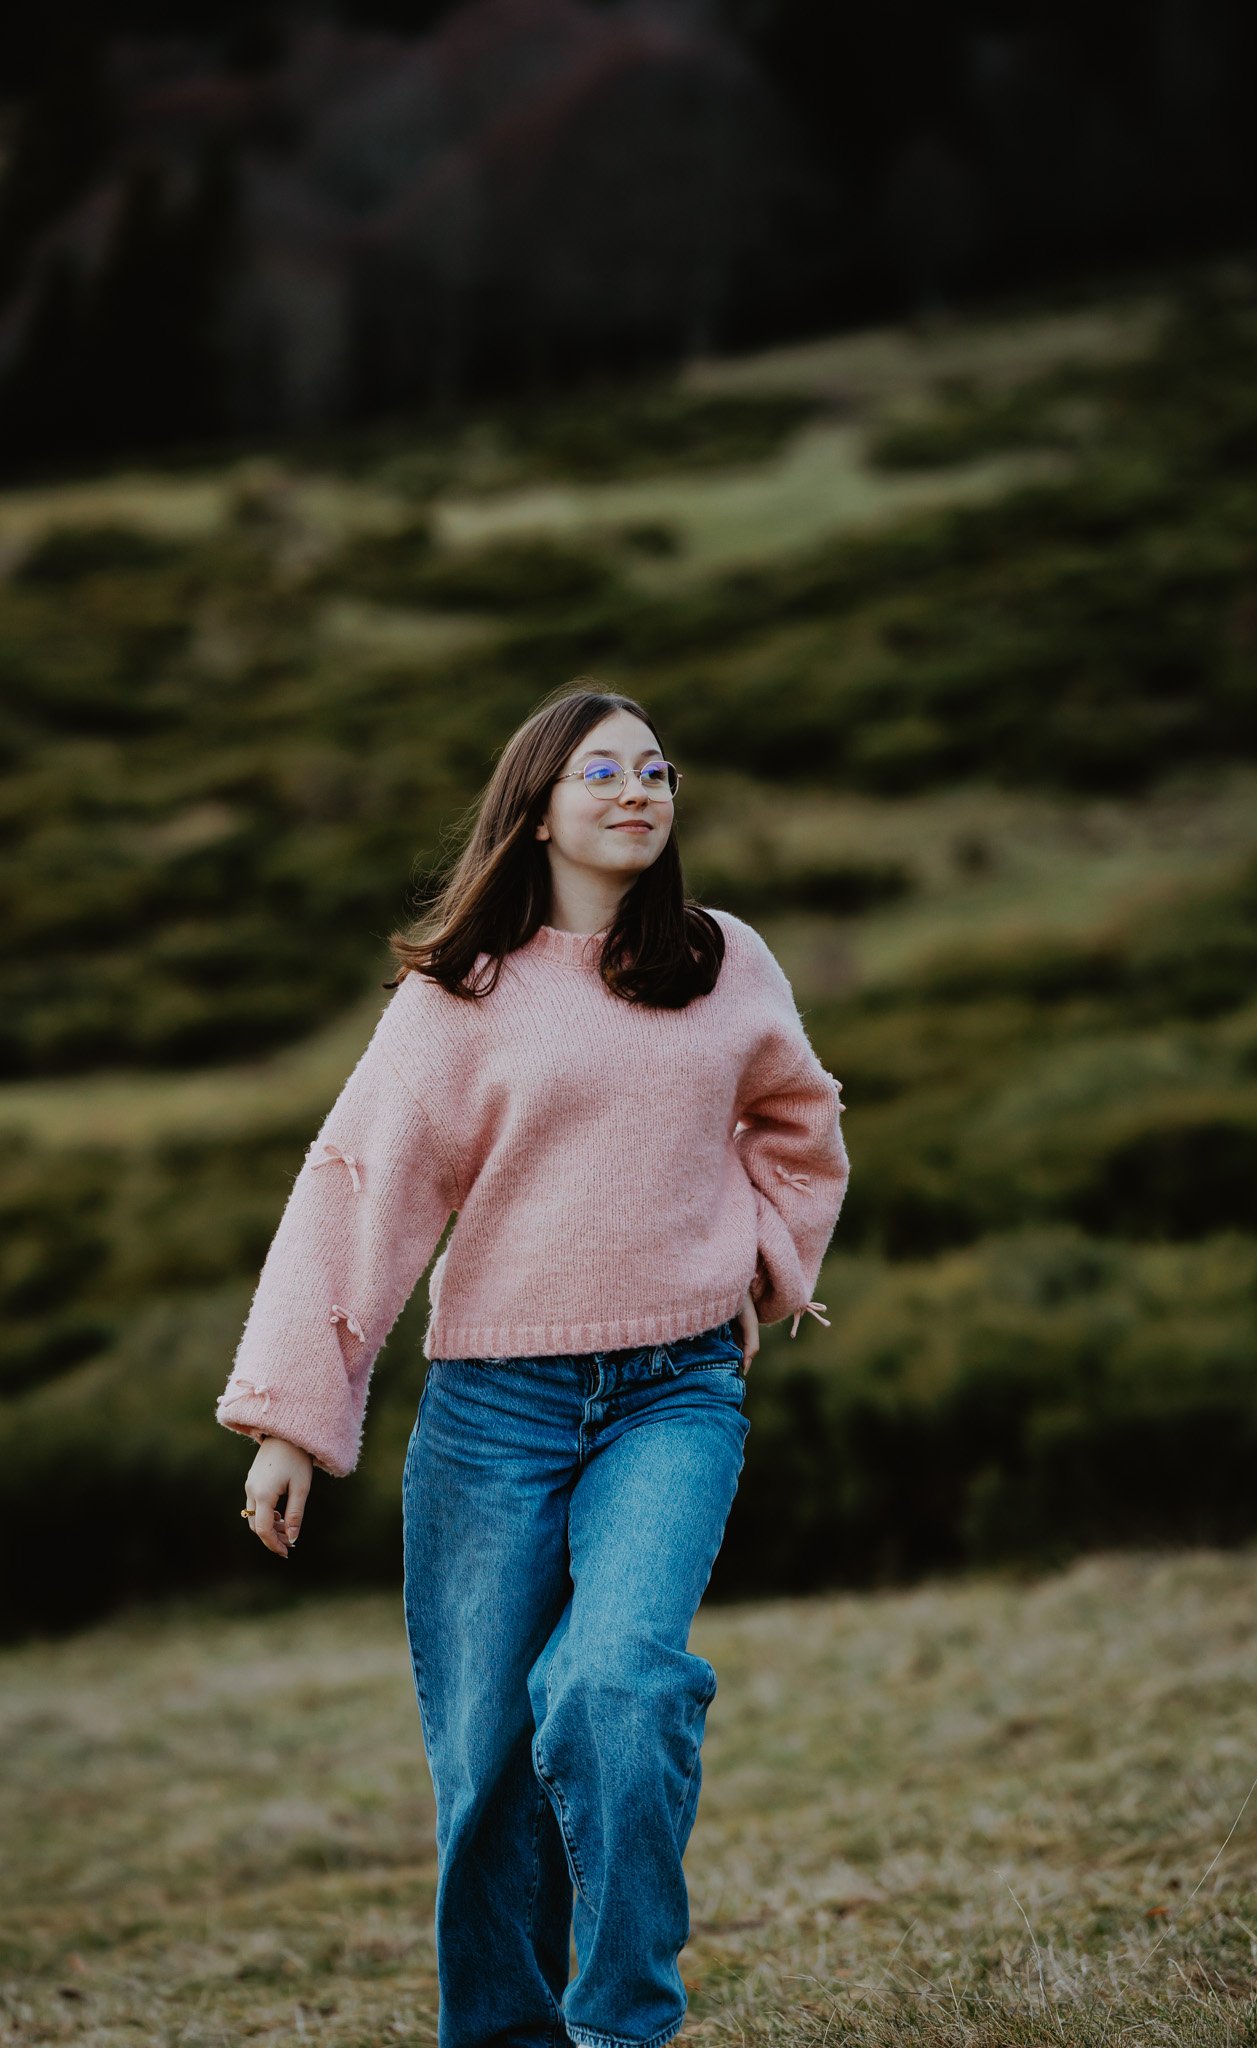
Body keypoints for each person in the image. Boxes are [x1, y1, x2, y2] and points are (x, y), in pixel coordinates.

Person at [215, 679, 850, 2048]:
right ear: (537, 809)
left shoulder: (722, 959)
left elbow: (799, 1122)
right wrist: (291, 1421)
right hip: (493, 1413)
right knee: (490, 1760)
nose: (639, 792)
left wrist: (760, 1262)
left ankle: (623, 2022)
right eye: (603, 772)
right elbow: (358, 1196)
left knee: (611, 1685)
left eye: (657, 771)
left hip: (675, 1398)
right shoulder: (459, 998)